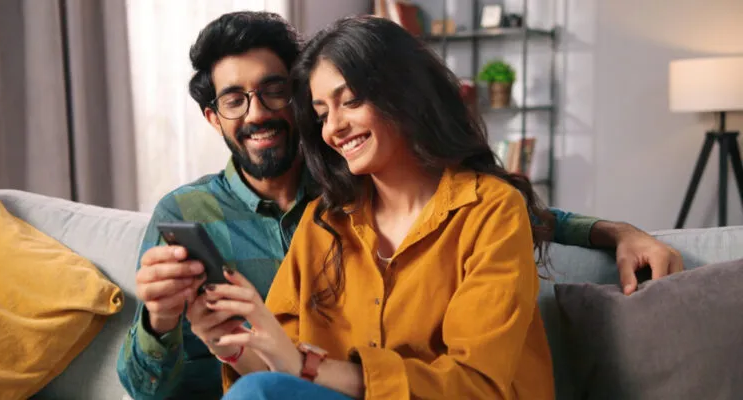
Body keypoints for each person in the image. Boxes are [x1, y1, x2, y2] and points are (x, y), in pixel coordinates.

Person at [115, 11, 683, 400]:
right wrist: (230, 344)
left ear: (402, 96)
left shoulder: (487, 209)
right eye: (323, 111)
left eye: (349, 102)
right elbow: (270, 373)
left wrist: (614, 231)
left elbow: (478, 382)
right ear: (214, 116)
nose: (333, 127)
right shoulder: (326, 217)